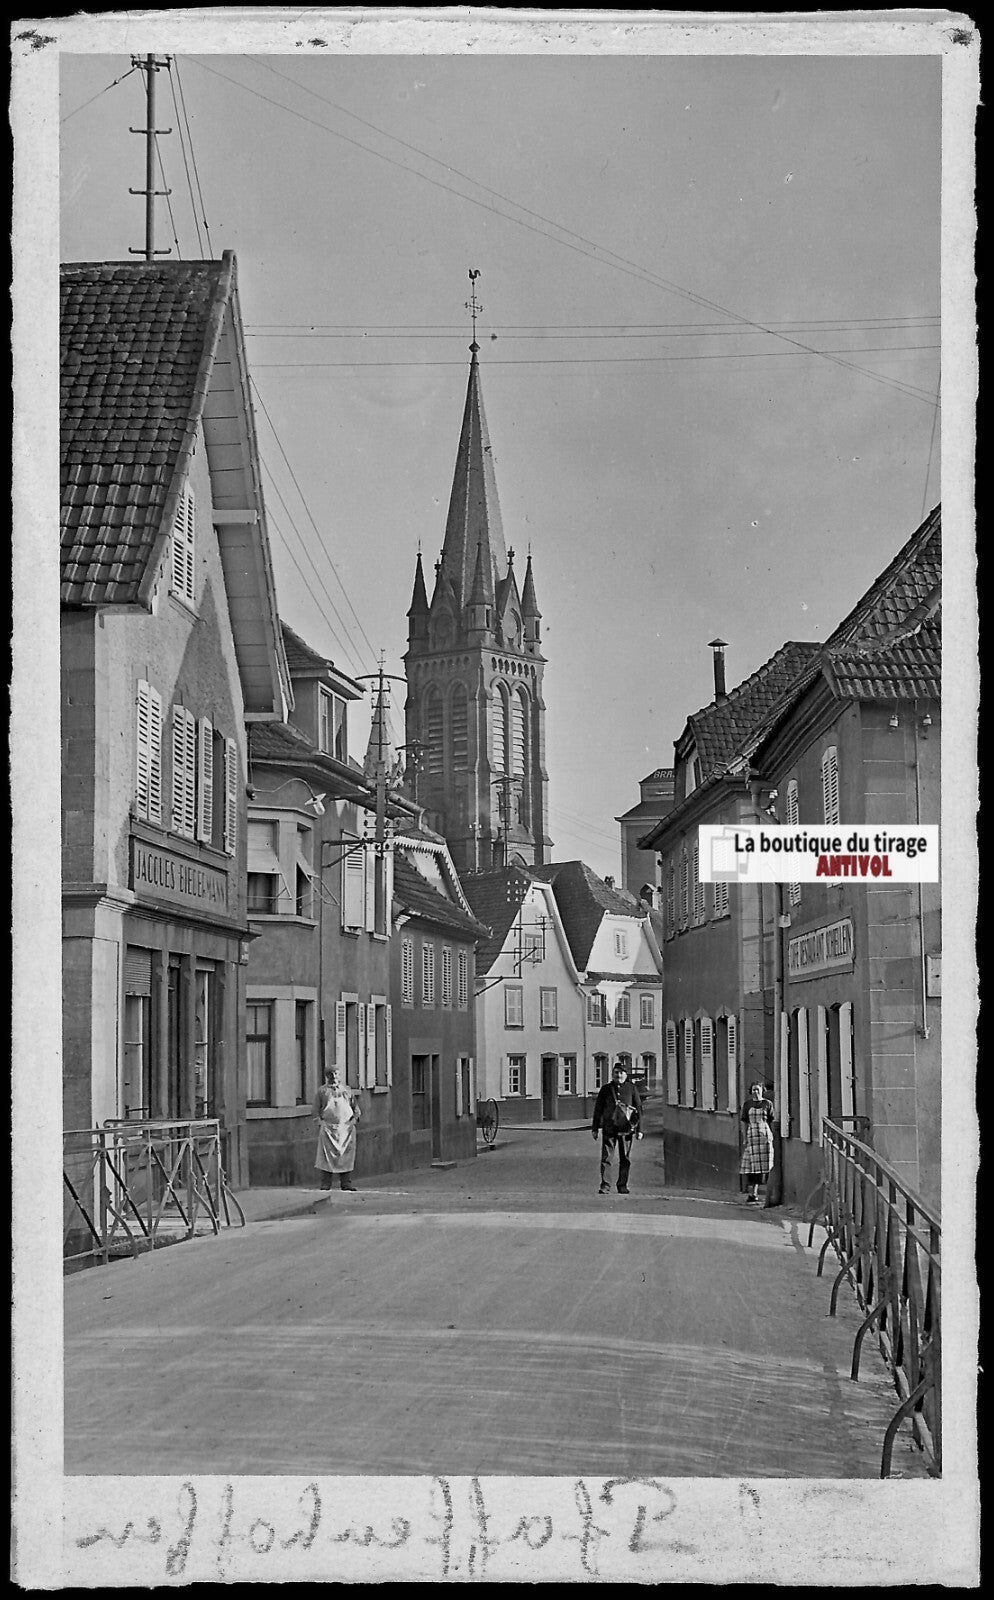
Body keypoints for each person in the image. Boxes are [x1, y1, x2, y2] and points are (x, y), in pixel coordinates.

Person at [591, 1059, 643, 1194]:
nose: (618, 1075)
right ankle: (605, 1185)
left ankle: (622, 1185)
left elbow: (638, 1109)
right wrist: (595, 1128)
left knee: (625, 1158)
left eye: (621, 1073)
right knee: (606, 1158)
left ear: (625, 1075)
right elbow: (598, 1109)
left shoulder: (631, 1088)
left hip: (626, 1130)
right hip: (609, 1128)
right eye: (616, 1073)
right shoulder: (606, 1089)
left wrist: (639, 1129)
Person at [313, 1066, 361, 1191]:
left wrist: (353, 1121)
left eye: (336, 1074)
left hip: (346, 1129)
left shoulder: (347, 1090)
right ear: (326, 1076)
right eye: (330, 1074)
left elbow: (356, 1109)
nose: (334, 1077)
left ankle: (346, 1183)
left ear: (339, 1075)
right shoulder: (322, 1091)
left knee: (346, 1156)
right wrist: (321, 1124)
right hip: (328, 1129)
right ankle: (326, 1184)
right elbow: (315, 1111)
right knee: (326, 1157)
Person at [739, 1079, 775, 1203]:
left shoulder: (767, 1104)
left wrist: (771, 1136)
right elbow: (744, 1122)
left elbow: (771, 1120)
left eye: (758, 1090)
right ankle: (753, 1193)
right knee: (752, 1166)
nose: (755, 1092)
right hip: (752, 1136)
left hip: (764, 1137)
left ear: (762, 1091)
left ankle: (768, 1194)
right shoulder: (747, 1104)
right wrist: (745, 1137)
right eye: (753, 1090)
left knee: (766, 1165)